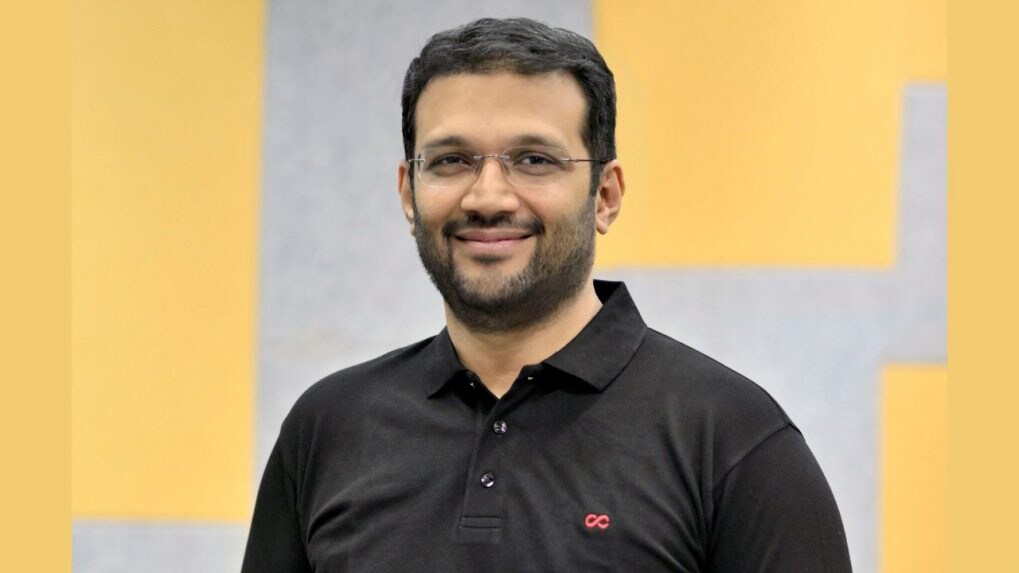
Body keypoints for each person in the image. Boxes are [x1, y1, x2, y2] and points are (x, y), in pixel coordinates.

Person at [242, 17, 852, 572]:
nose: (488, 197)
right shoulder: (329, 428)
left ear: (605, 195)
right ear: (409, 193)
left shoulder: (732, 439)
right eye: (452, 160)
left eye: (534, 160)